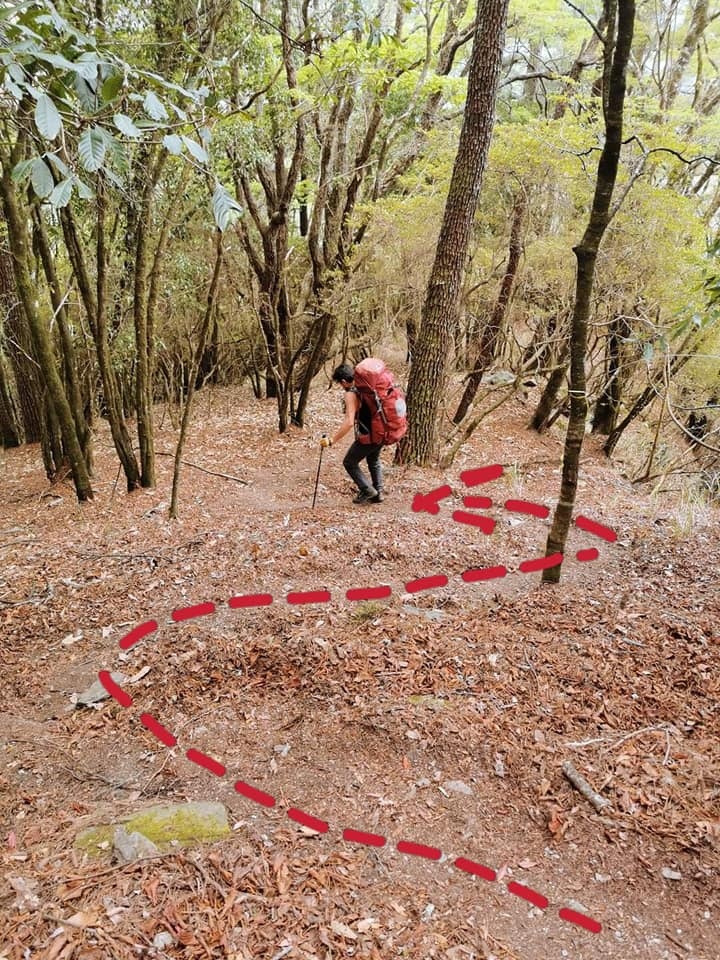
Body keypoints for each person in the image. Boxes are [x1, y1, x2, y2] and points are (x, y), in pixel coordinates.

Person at [320, 362, 384, 504]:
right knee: (373, 460)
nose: (341, 387)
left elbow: (349, 422)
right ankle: (378, 493)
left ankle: (368, 490)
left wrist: (332, 440)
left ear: (343, 381)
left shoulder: (351, 394)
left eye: (340, 384)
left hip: (369, 435)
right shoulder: (368, 388)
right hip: (382, 430)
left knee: (349, 462)